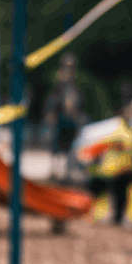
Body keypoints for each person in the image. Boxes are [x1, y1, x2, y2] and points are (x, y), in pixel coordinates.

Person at [43, 54, 86, 183]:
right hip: (61, 117)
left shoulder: (74, 82)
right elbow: (54, 98)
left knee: (70, 145)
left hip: (71, 119)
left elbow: (77, 101)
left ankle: (68, 171)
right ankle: (54, 169)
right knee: (55, 144)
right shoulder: (60, 79)